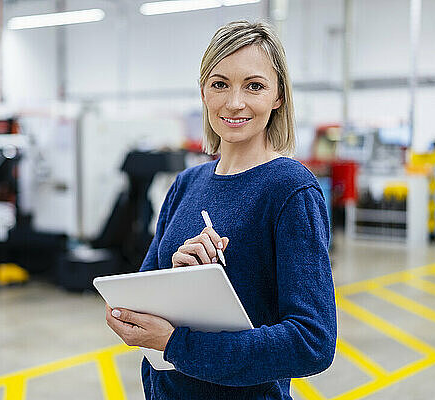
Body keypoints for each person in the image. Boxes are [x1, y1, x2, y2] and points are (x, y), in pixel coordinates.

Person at [105, 20, 336, 399]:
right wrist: (176, 276)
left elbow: (312, 342)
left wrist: (180, 346)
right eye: (220, 84)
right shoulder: (186, 184)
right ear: (203, 92)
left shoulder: (291, 189)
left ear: (278, 97)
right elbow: (137, 302)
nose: (234, 102)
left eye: (255, 86)